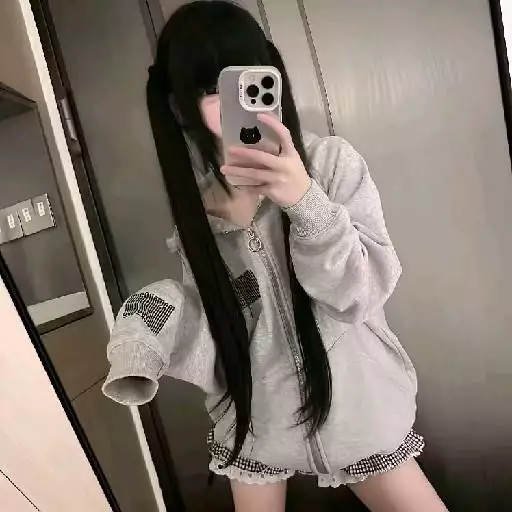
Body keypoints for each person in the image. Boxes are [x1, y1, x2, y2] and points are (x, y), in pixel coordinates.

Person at [102, 1, 447, 510]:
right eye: (212, 89)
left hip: (361, 413)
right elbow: (214, 335)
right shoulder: (198, 216)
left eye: (247, 81)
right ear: (178, 108)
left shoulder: (330, 163)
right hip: (256, 427)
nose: (235, 102)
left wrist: (304, 201)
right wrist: (146, 332)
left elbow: (360, 293)